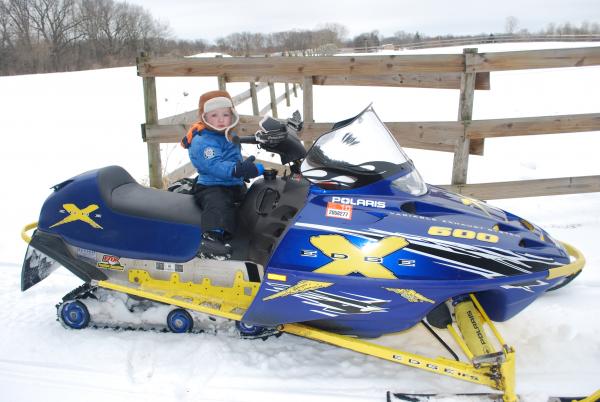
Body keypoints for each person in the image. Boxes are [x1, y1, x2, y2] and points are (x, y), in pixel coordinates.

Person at [181, 90, 264, 256]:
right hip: (212, 185)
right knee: (218, 204)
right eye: (214, 115)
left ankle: (246, 238)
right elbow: (213, 166)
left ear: (232, 116)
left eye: (225, 114)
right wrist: (236, 170)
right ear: (204, 117)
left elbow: (231, 158)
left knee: (251, 204)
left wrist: (243, 168)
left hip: (233, 184)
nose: (220, 120)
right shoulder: (203, 140)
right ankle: (210, 240)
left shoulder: (227, 134)